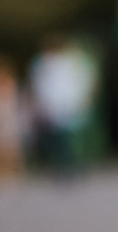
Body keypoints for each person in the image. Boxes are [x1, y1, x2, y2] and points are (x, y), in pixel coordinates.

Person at [29, 36, 96, 181]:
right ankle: (62, 166)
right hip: (53, 106)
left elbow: (81, 81)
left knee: (70, 137)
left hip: (70, 104)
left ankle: (73, 165)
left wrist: (83, 98)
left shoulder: (70, 62)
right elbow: (40, 86)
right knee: (58, 138)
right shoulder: (41, 64)